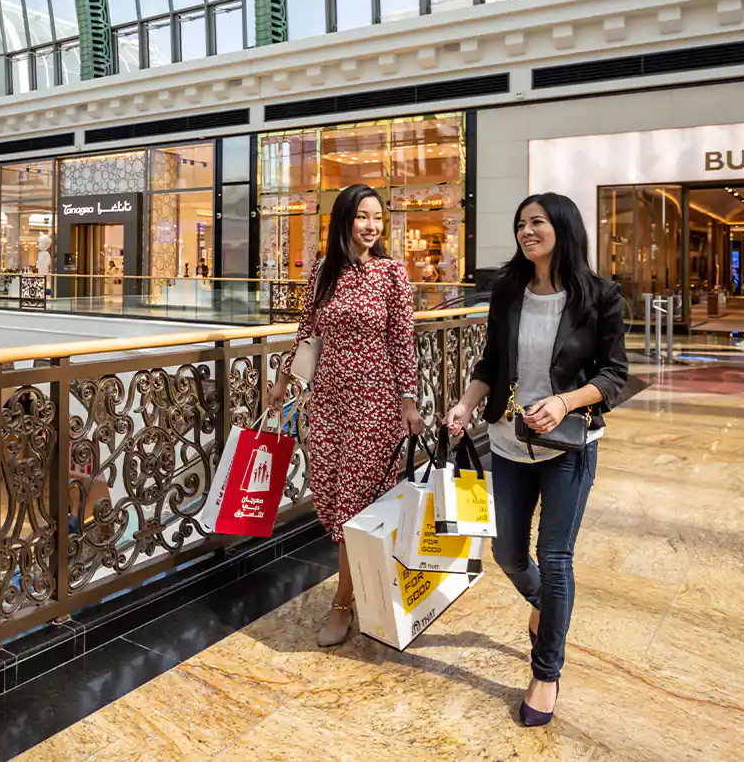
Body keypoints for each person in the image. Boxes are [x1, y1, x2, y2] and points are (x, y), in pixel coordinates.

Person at [444, 192, 629, 728]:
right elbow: (491, 361)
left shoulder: (599, 296)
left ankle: (546, 672)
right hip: (506, 442)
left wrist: (565, 401)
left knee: (555, 558)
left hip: (569, 446)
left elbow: (614, 375)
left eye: (538, 223)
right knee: (505, 552)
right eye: (521, 223)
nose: (527, 232)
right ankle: (549, 608)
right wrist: (465, 404)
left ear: (563, 228)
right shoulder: (507, 291)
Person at [264, 183, 422, 648]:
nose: (372, 226)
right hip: (328, 403)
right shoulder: (323, 272)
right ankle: (370, 590)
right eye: (362, 217)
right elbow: (307, 332)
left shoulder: (393, 274)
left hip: (374, 404)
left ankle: (342, 606)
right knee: (333, 499)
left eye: (378, 218)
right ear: (344, 221)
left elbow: (402, 342)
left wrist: (408, 401)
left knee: (355, 506)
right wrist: (281, 383)